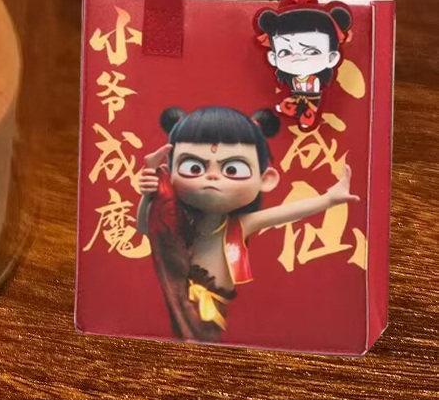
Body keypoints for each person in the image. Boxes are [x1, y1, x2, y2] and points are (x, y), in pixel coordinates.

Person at [136, 104, 358, 342]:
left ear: (266, 179)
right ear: (170, 173)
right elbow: (146, 227)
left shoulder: (239, 226)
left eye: (232, 168)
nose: (212, 176)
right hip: (180, 301)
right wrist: (150, 195)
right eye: (194, 167)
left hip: (214, 308)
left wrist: (329, 199)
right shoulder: (177, 219)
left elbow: (287, 212)